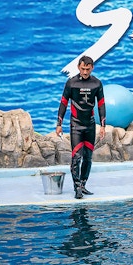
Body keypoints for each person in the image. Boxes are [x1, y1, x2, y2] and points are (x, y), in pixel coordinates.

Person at [56, 55, 106, 199]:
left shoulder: (97, 84)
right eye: (83, 69)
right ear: (78, 67)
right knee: (76, 157)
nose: (85, 72)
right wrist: (59, 124)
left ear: (92, 68)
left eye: (87, 69)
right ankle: (76, 187)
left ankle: (83, 184)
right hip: (76, 125)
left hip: (90, 125)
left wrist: (102, 126)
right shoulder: (71, 83)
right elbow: (63, 103)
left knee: (88, 158)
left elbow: (101, 104)